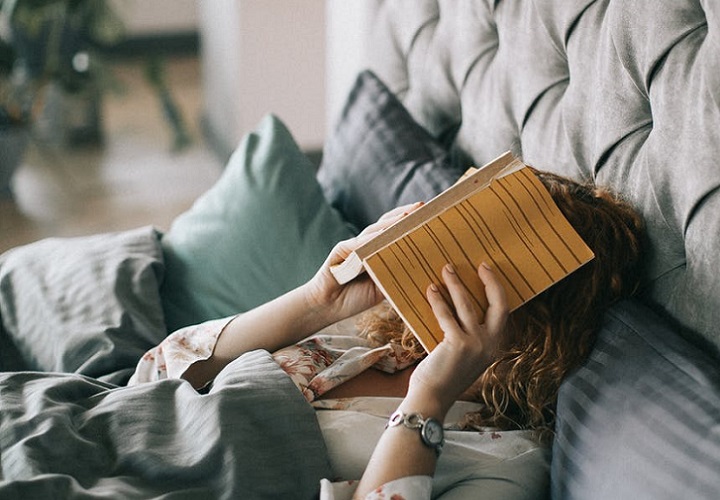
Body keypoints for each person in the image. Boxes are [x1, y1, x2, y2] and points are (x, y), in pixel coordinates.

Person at [129, 168, 644, 499]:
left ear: (543, 319)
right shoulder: (374, 342)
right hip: (102, 430)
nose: (445, 266)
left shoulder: (507, 462)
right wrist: (315, 303)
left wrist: (430, 397)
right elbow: (158, 370)